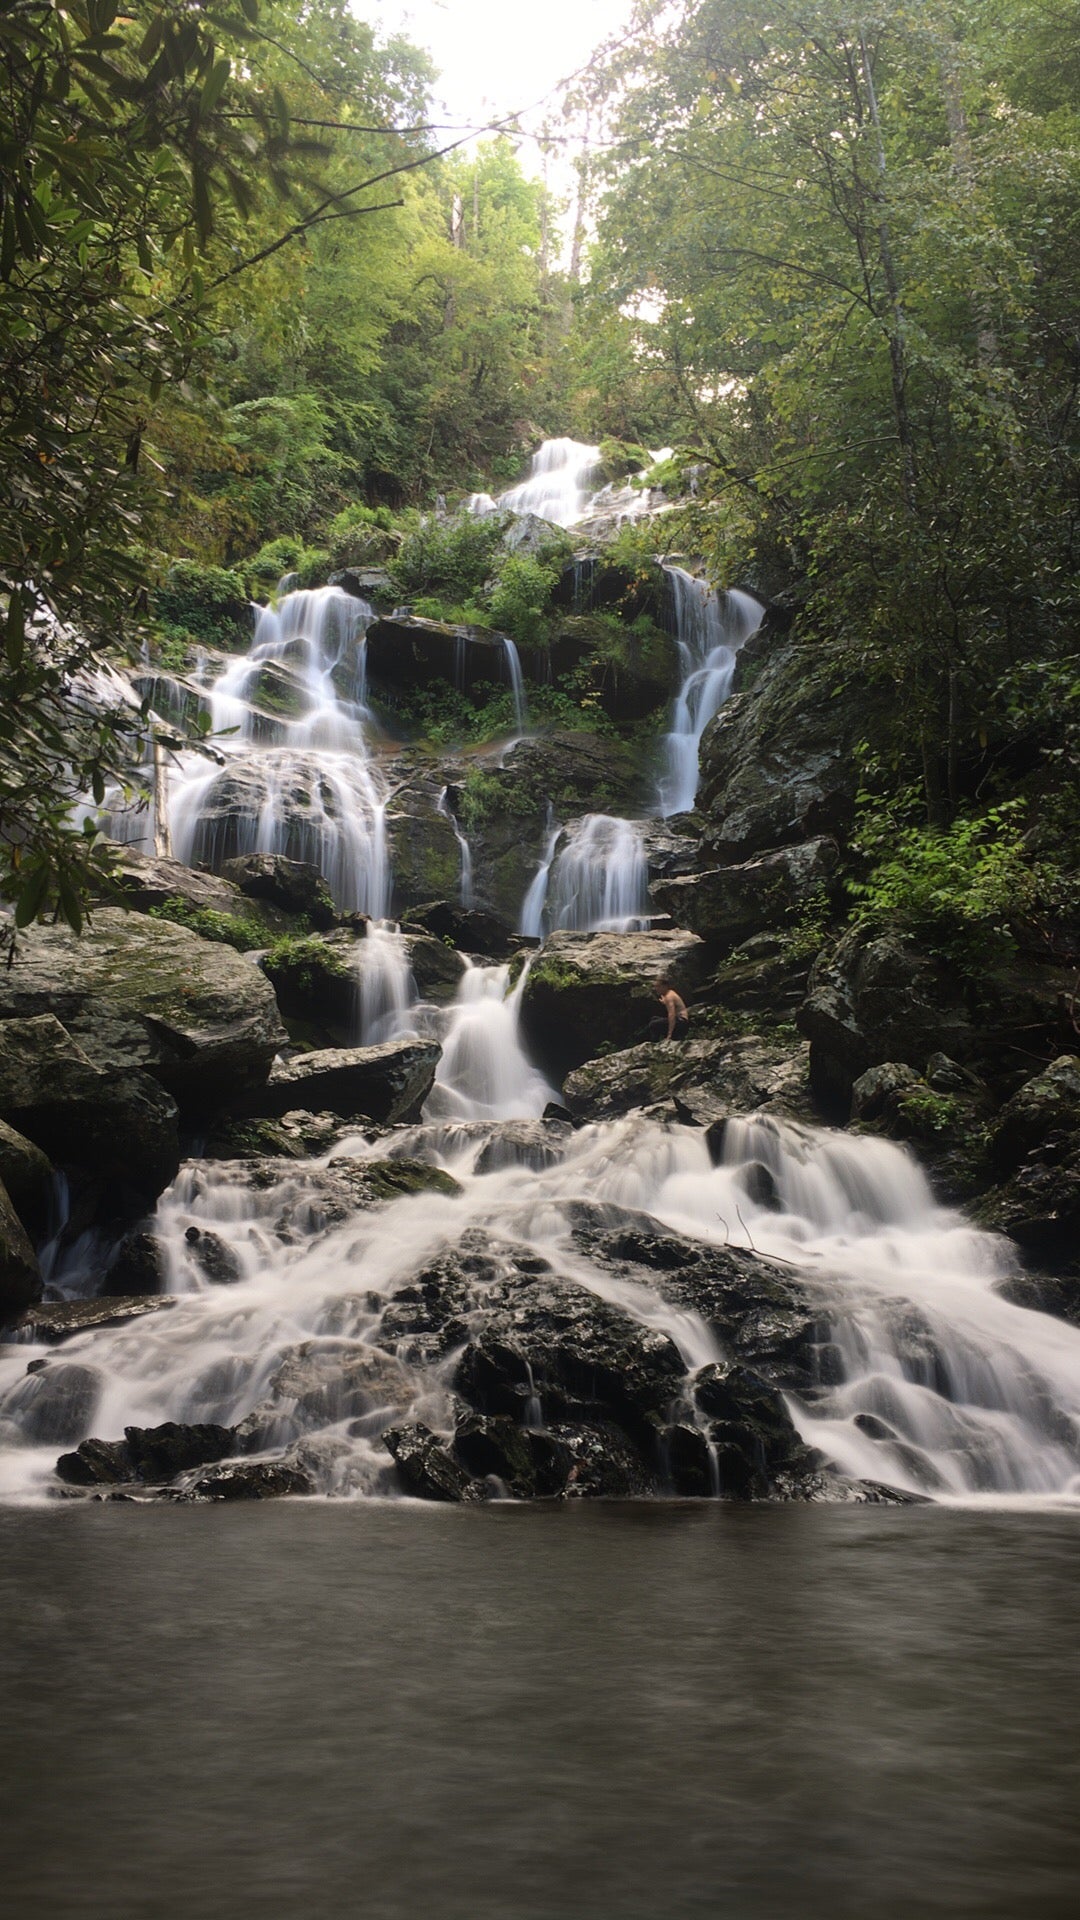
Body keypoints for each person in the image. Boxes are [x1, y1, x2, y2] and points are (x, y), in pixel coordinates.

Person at [649, 977, 690, 1044]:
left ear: (665, 986)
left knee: (653, 1024)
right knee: (654, 1018)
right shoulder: (670, 993)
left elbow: (671, 1015)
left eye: (658, 986)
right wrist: (664, 1002)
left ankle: (654, 1043)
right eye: (655, 987)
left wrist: (669, 1034)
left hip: (681, 1023)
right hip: (681, 1022)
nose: (656, 989)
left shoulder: (669, 997)